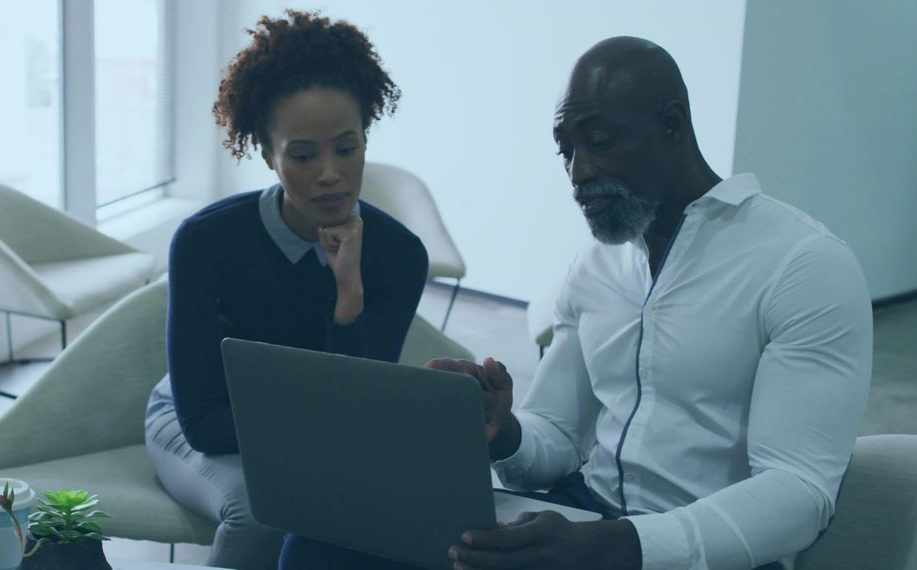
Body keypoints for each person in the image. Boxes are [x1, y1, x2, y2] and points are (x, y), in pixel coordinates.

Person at [280, 36, 872, 570]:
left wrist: (624, 545)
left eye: (600, 142)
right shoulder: (595, 268)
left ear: (673, 125)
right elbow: (559, 437)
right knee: (320, 544)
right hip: (585, 520)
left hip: (699, 551)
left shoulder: (802, 265)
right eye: (565, 149)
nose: (578, 172)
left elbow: (799, 494)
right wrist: (504, 431)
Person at [143, 11, 428, 570]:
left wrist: (349, 299)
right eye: (302, 155)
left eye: (346, 148)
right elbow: (202, 421)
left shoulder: (398, 256)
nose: (330, 173)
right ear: (267, 154)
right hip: (191, 418)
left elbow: (358, 411)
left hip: (302, 438)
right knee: (262, 508)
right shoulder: (206, 242)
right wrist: (321, 433)